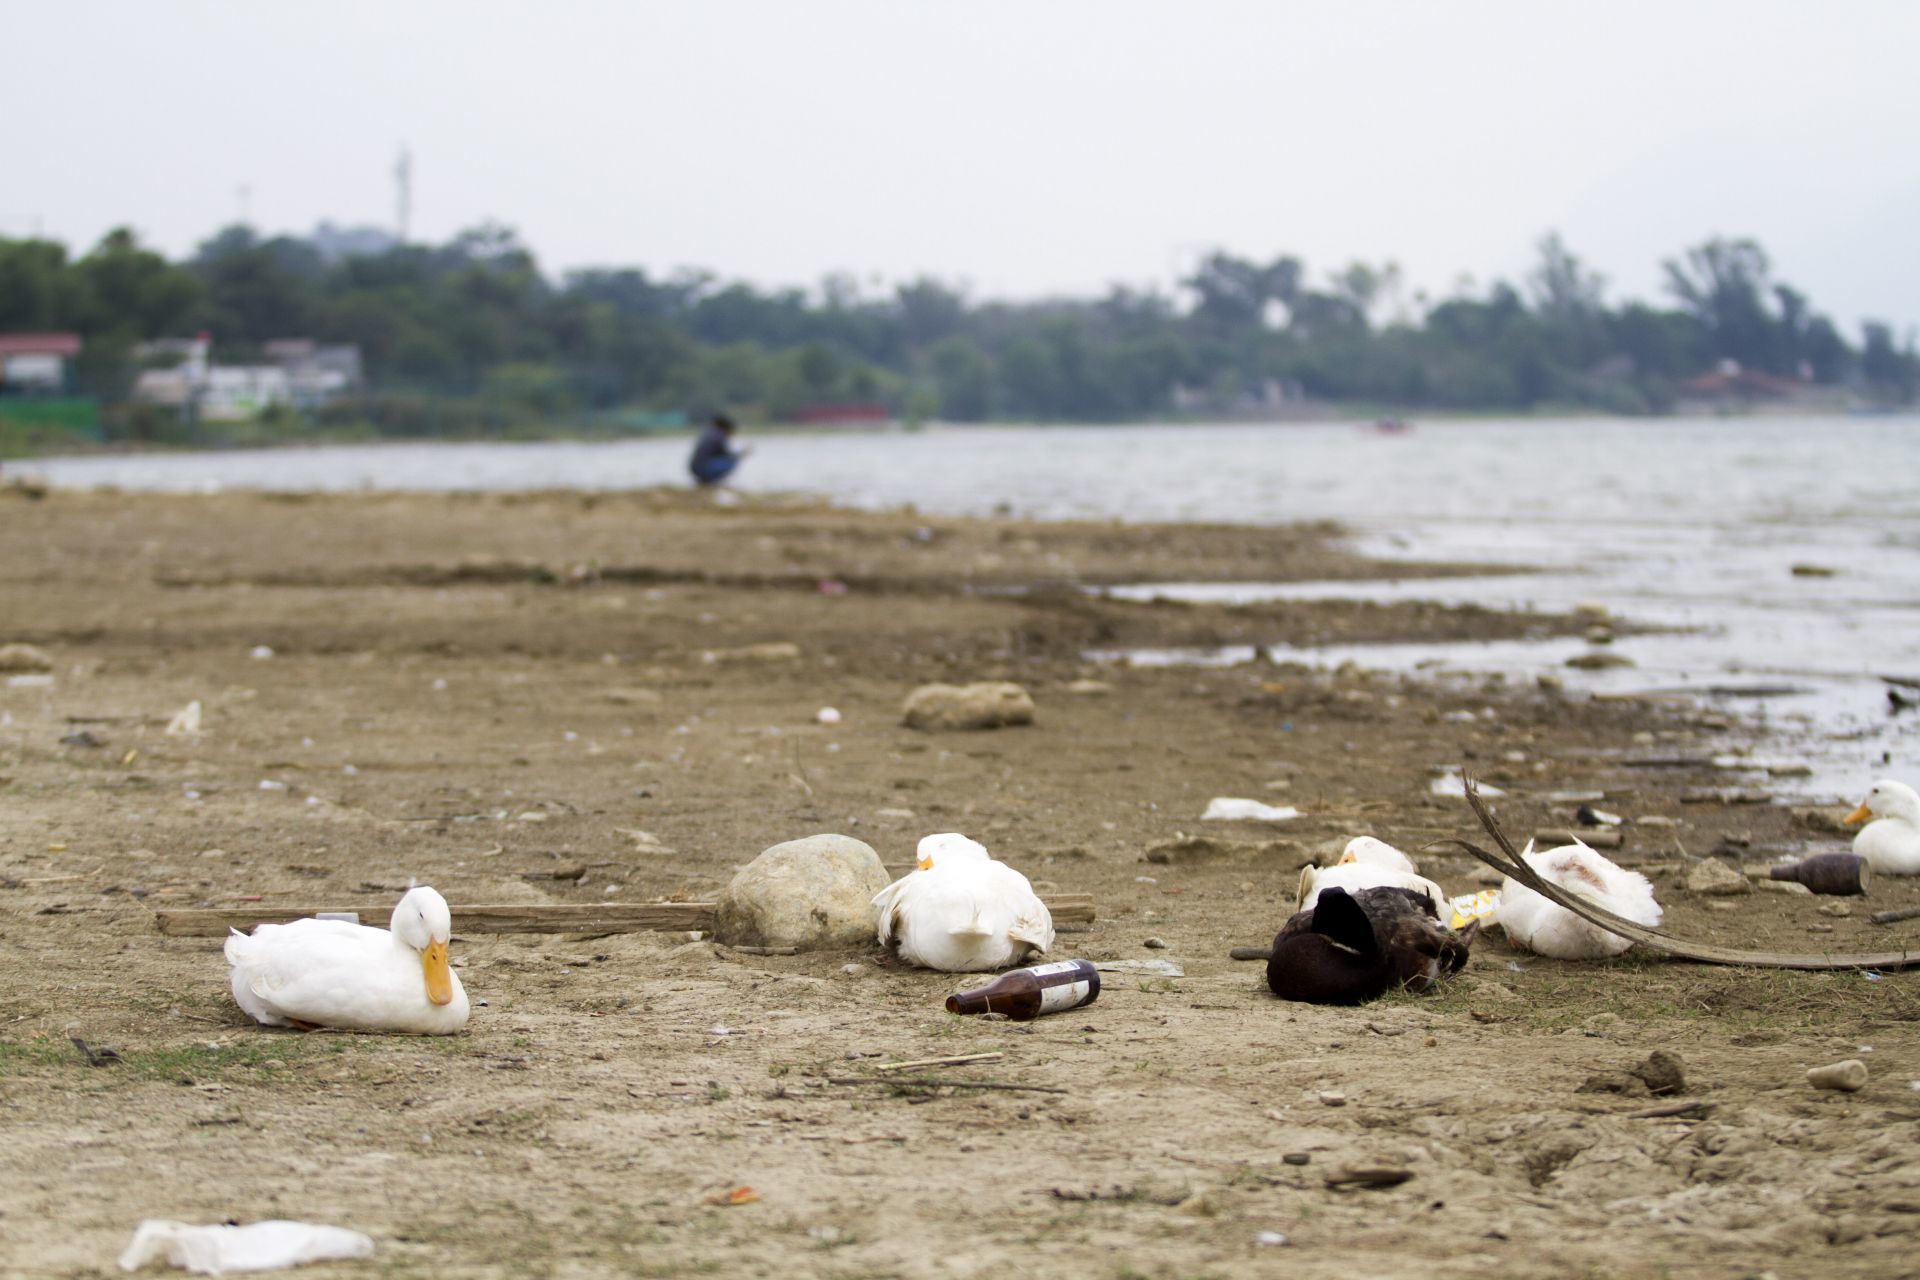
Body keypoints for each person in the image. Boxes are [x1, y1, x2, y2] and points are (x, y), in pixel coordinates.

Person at [688, 412, 748, 487]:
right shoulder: (719, 436)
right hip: (703, 468)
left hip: (694, 468)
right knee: (733, 461)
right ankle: (711, 481)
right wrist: (741, 454)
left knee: (728, 459)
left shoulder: (709, 432)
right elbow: (725, 453)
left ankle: (705, 481)